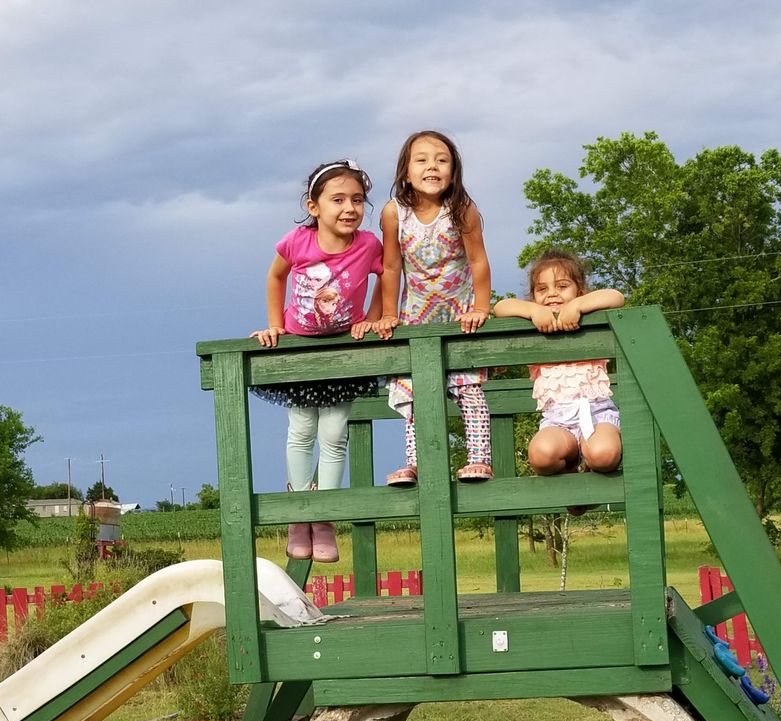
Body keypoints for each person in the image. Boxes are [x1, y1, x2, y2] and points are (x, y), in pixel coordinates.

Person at [250, 159, 383, 563]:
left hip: (341, 350)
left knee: (335, 430)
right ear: (314, 206)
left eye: (358, 200)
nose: (349, 208)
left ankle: (324, 516)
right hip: (301, 351)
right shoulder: (297, 242)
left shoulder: (368, 245)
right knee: (302, 427)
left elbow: (388, 276)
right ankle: (299, 513)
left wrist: (374, 318)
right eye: (338, 199)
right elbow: (275, 277)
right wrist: (275, 325)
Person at [374, 130, 493, 486]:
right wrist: (389, 314)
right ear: (405, 171)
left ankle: (479, 459)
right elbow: (391, 267)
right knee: (415, 395)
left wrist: (481, 307)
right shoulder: (395, 213)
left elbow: (478, 263)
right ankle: (417, 462)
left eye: (442, 160)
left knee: (469, 389)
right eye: (422, 160)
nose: (432, 167)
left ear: (453, 171)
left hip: (460, 315)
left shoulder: (461, 210)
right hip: (416, 317)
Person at [494, 250, 624, 507]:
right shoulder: (536, 325)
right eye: (542, 289)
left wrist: (576, 306)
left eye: (562, 286)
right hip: (557, 422)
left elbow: (616, 297)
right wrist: (533, 311)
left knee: (603, 455)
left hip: (596, 415)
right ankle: (573, 481)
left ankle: (591, 477)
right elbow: (500, 307)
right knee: (540, 455)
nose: (552, 293)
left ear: (580, 290)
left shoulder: (586, 317)